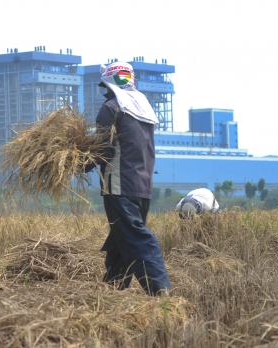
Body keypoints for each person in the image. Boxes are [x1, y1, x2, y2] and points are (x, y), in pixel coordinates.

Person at [85, 61, 171, 296]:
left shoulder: (111, 107)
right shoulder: (143, 108)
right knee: (119, 242)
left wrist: (78, 163)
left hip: (119, 185)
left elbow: (104, 150)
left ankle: (161, 291)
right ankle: (113, 293)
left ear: (109, 83)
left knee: (135, 236)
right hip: (143, 186)